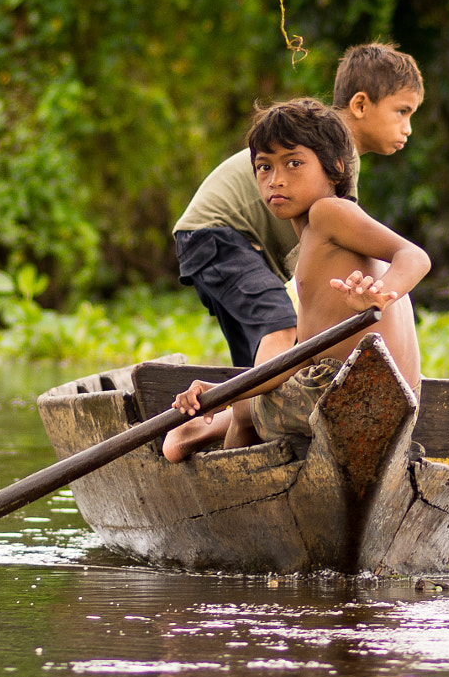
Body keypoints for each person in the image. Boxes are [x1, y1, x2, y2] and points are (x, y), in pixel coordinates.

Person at [162, 97, 429, 462]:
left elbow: (415, 256)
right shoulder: (316, 242)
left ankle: (225, 464)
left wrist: (381, 293)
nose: (276, 180)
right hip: (380, 399)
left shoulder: (327, 213)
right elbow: (296, 363)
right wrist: (224, 390)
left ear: (336, 167)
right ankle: (221, 423)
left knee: (245, 409)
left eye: (294, 164)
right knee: (246, 399)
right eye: (263, 168)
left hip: (354, 392)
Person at [171, 43, 425, 369]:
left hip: (220, 241)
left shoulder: (322, 146)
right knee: (280, 326)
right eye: (402, 112)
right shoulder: (333, 153)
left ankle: (240, 416)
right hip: (217, 236)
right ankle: (243, 415)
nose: (408, 128)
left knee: (261, 359)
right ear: (360, 104)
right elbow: (327, 252)